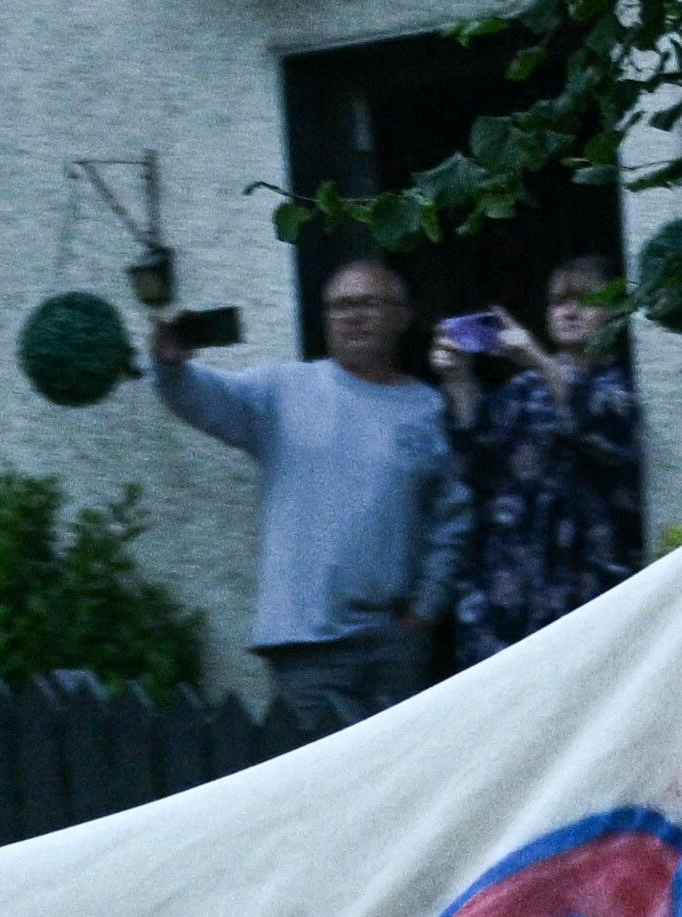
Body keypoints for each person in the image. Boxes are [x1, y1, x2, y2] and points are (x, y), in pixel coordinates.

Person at [151, 255, 468, 727]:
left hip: (394, 643)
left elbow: (452, 520)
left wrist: (423, 614)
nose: (353, 316)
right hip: (307, 650)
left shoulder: (426, 408)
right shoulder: (283, 392)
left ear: (402, 316)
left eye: (368, 303)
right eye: (339, 306)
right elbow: (200, 396)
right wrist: (171, 367)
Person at [434, 256, 651, 661]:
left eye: (584, 300)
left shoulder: (620, 385)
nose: (569, 311)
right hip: (511, 598)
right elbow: (474, 460)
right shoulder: (522, 390)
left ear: (613, 313)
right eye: (558, 302)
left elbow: (607, 435)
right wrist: (458, 380)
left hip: (590, 593)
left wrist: (538, 358)